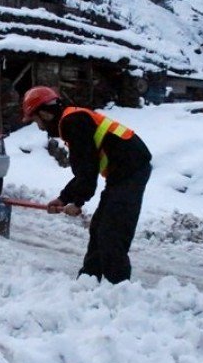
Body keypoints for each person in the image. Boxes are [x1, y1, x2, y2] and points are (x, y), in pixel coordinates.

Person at [22, 86, 152, 284]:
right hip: (121, 173)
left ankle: (119, 288)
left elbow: (87, 171)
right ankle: (88, 281)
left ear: (45, 114)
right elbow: (84, 170)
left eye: (36, 120)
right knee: (99, 227)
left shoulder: (73, 122)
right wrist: (64, 198)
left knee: (111, 231)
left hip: (131, 170)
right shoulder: (73, 120)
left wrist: (78, 202)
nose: (39, 127)